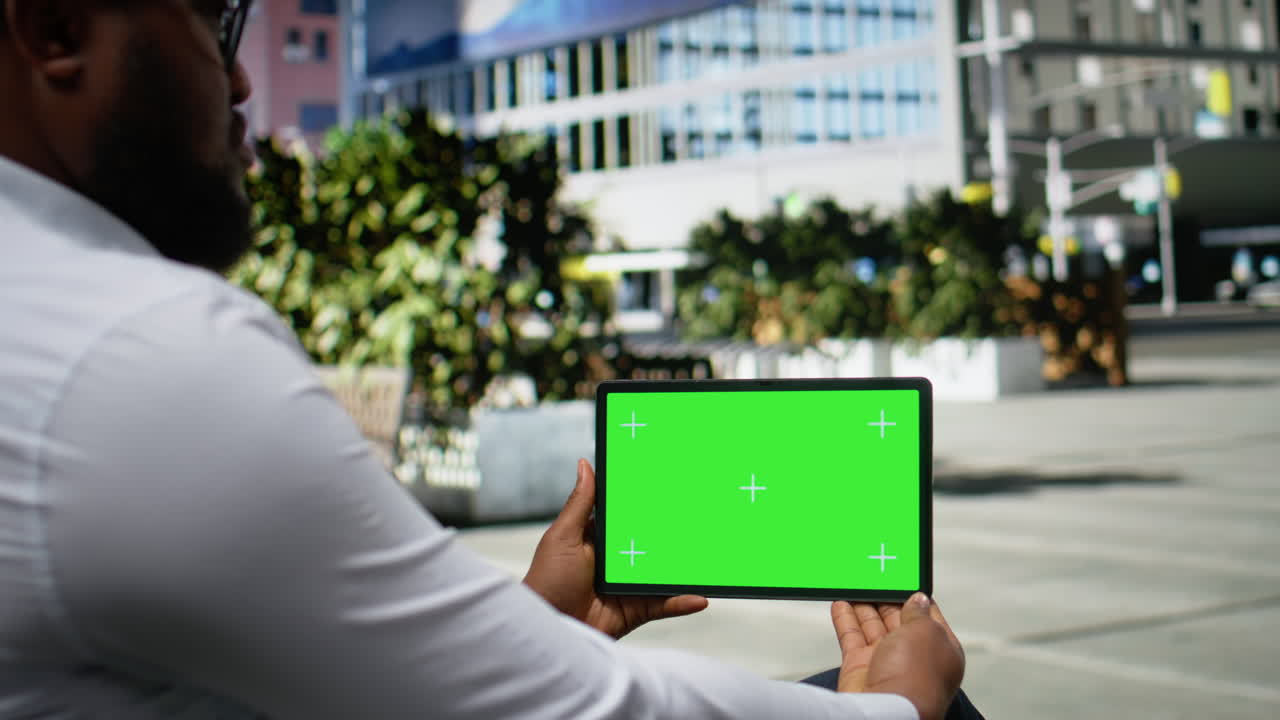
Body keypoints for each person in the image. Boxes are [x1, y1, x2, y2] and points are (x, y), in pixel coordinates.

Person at [0, 1, 975, 718]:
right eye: (216, 21)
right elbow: (563, 711)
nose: (243, 78)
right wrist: (892, 712)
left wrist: (541, 629)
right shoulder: (129, 352)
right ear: (51, 26)